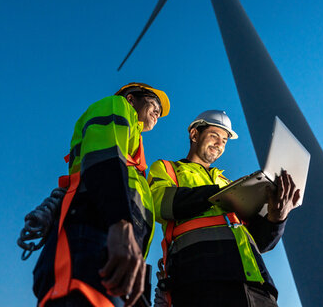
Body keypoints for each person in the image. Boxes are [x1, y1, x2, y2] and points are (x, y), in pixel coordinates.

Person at [33, 82, 170, 307]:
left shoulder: (135, 152)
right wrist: (121, 222)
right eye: (153, 103)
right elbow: (103, 158)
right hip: (94, 235)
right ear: (131, 99)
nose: (158, 112)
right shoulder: (116, 105)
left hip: (114, 249)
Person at [149, 110, 300, 307]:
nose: (220, 144)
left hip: (257, 286)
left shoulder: (227, 183)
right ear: (194, 135)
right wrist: (218, 194)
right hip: (200, 281)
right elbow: (159, 203)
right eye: (214, 136)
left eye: (225, 141)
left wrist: (276, 219)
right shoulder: (167, 168)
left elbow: (259, 243)